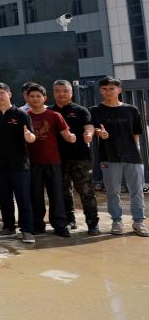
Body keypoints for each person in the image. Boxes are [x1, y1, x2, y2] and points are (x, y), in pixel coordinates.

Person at [88, 77, 148, 237]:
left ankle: (138, 222)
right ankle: (116, 221)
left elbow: (136, 134)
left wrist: (134, 151)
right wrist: (99, 133)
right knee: (112, 191)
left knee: (137, 191)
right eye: (104, 89)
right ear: (100, 90)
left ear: (119, 90)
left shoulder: (132, 110)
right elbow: (92, 129)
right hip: (109, 156)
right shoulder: (95, 110)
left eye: (111, 88)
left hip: (133, 157)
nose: (108, 92)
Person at [0, 82, 37, 244]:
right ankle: (8, 227)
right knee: (3, 197)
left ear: (9, 94)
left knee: (23, 198)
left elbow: (31, 136)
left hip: (19, 164)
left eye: (2, 93)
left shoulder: (21, 114)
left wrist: (29, 137)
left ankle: (27, 230)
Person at [51, 80, 100, 234]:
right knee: (63, 191)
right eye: (57, 91)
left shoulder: (80, 110)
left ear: (71, 92)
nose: (61, 94)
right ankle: (69, 219)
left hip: (80, 158)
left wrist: (88, 134)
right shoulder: (50, 112)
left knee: (86, 191)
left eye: (65, 90)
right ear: (53, 93)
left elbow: (89, 125)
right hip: (57, 159)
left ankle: (92, 223)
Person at [25, 84, 74, 237]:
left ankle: (60, 225)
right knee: (35, 195)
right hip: (32, 162)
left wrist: (72, 138)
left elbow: (66, 134)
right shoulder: (24, 115)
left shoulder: (54, 115)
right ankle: (37, 225)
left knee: (56, 195)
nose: (35, 99)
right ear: (27, 98)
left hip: (53, 161)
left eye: (38, 96)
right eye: (32, 96)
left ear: (45, 98)